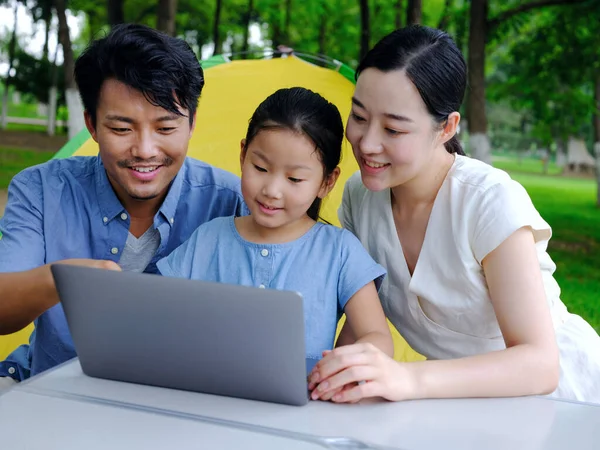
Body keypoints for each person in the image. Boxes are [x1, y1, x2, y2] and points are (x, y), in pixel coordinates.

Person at [308, 25, 600, 404]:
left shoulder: (488, 202)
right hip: (456, 400)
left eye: (393, 129)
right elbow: (364, 322)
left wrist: (407, 379)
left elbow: (540, 364)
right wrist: (331, 376)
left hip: (559, 400)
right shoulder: (360, 196)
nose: (366, 143)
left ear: (446, 127)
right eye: (359, 117)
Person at [0, 24, 246, 386]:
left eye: (165, 129)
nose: (145, 150)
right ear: (92, 125)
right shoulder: (40, 189)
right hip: (54, 394)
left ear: (192, 123)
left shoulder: (231, 201)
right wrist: (67, 279)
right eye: (121, 129)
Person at [157, 87, 393, 361]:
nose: (272, 190)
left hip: (304, 401)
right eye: (261, 168)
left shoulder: (340, 251)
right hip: (209, 395)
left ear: (327, 182)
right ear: (244, 154)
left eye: (294, 179)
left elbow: (377, 337)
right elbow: (160, 313)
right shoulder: (208, 238)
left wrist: (340, 367)